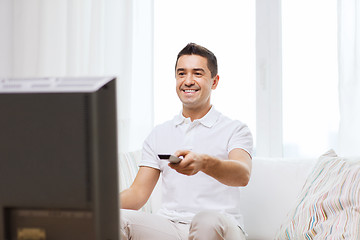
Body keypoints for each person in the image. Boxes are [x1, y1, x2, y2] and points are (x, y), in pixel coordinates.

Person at [120, 43, 253, 240]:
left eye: (197, 73)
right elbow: (138, 193)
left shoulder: (235, 129)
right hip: (171, 226)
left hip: (222, 225)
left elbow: (242, 174)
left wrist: (204, 163)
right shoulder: (159, 133)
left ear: (214, 81)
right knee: (118, 218)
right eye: (181, 73)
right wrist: (92, 205)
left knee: (206, 220)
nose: (188, 81)